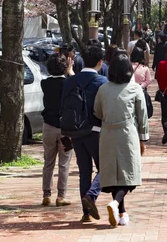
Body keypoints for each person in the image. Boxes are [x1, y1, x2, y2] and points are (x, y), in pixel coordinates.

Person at [94, 53, 149, 226]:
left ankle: (122, 213)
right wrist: (143, 139)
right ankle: (116, 203)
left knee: (113, 175)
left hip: (107, 134)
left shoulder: (103, 89)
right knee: (130, 174)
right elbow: (143, 116)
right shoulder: (135, 89)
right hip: (127, 134)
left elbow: (97, 112)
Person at [61, 42, 109, 222]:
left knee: (84, 172)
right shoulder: (102, 82)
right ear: (100, 62)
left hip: (75, 133)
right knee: (105, 167)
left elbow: (63, 107)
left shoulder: (70, 81)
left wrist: (65, 134)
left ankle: (86, 213)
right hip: (96, 132)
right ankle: (92, 195)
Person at [40, 54, 73, 207]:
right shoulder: (68, 83)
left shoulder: (44, 84)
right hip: (66, 128)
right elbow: (76, 83)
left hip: (48, 126)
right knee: (64, 163)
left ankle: (46, 194)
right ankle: (61, 196)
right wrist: (70, 71)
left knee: (48, 162)